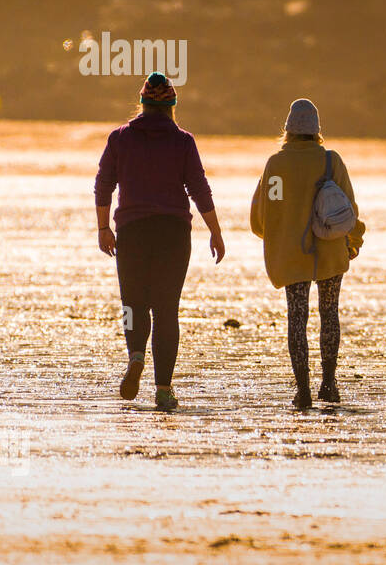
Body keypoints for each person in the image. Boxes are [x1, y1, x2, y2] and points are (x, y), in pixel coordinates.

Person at [94, 72, 225, 411]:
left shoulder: (119, 138)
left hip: (133, 231)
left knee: (132, 304)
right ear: (171, 108)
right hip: (173, 232)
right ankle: (164, 389)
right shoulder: (183, 141)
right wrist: (215, 231)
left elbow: (103, 184)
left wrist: (103, 228)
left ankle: (136, 353)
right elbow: (199, 189)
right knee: (166, 310)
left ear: (142, 103)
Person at [251, 99, 364, 410]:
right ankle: (329, 384)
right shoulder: (331, 161)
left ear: (287, 130)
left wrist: (278, 236)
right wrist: (354, 242)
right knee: (329, 315)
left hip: (290, 255)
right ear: (317, 130)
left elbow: (263, 215)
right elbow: (349, 209)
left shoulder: (275, 165)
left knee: (296, 319)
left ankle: (302, 390)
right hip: (329, 252)